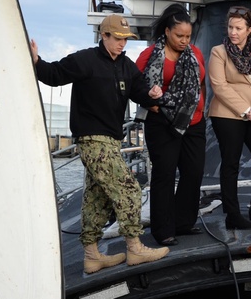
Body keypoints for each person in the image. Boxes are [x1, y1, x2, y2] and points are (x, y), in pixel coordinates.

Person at [30, 14, 169, 273]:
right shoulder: (85, 60)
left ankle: (92, 256)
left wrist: (152, 94)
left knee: (97, 198)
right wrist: (36, 60)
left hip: (112, 140)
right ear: (103, 36)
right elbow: (53, 75)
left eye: (125, 39)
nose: (122, 44)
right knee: (129, 189)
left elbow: (140, 90)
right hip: (92, 138)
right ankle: (135, 247)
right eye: (117, 38)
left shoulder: (127, 65)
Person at [135, 4, 207, 246]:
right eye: (179, 36)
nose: (184, 40)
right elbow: (136, 86)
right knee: (164, 174)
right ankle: (163, 230)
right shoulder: (149, 55)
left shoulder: (196, 53)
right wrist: (151, 103)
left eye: (188, 36)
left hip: (193, 122)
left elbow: (201, 84)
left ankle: (183, 222)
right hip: (161, 123)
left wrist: (199, 108)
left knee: (194, 172)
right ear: (167, 32)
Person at [208, 6, 251, 229]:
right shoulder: (219, 52)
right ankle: (233, 215)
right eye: (230, 27)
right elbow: (219, 86)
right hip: (227, 115)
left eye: (238, 28)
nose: (233, 32)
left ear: (249, 30)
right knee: (231, 164)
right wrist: (247, 110)